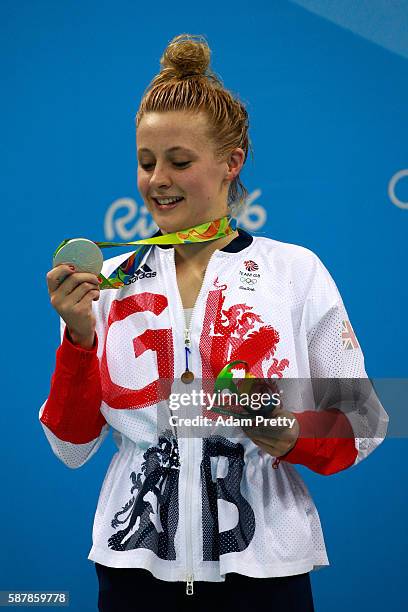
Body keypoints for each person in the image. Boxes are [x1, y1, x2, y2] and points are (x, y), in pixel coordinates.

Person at [40, 34, 388, 612]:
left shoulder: (293, 271)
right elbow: (70, 446)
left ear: (232, 163)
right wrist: (79, 337)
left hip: (267, 572)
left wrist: (294, 434)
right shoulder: (109, 276)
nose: (158, 180)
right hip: (133, 570)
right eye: (146, 162)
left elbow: (368, 421)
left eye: (180, 161)